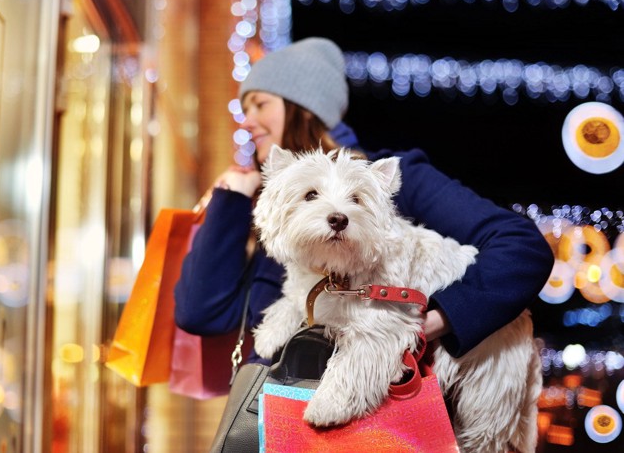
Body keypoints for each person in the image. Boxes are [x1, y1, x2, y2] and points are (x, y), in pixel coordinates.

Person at [173, 37, 554, 364]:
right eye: (245, 109)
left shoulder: (394, 180)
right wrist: (229, 202)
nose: (247, 121)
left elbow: (522, 247)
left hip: (379, 422)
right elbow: (201, 315)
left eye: (259, 104)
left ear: (304, 107)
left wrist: (437, 320)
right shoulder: (270, 206)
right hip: (270, 424)